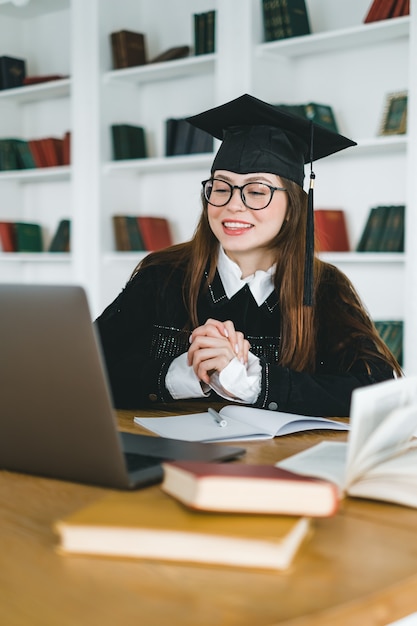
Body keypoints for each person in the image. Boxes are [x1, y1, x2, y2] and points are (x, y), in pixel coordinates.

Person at [95, 94, 402, 417]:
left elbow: (380, 390)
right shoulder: (161, 275)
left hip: (280, 459)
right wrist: (184, 374)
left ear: (292, 209)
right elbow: (84, 366)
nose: (233, 205)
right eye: (221, 187)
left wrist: (254, 382)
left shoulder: (325, 288)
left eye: (257, 191)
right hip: (167, 455)